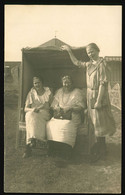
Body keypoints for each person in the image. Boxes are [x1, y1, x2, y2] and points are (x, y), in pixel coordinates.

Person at [61, 43, 116, 162]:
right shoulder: (89, 64)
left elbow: (103, 84)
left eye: (92, 51)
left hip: (99, 95)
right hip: (90, 94)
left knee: (99, 123)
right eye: (88, 52)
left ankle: (101, 150)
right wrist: (69, 50)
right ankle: (102, 147)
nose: (90, 54)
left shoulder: (102, 64)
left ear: (97, 50)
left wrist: (98, 101)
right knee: (94, 122)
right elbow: (76, 63)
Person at [46, 75, 85, 161]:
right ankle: (54, 148)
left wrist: (71, 108)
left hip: (73, 116)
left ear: (72, 83)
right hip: (60, 115)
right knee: (50, 124)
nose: (66, 85)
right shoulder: (59, 92)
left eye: (68, 82)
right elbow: (53, 105)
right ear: (62, 83)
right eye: (65, 83)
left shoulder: (77, 92)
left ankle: (67, 150)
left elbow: (81, 107)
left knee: (66, 125)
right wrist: (57, 108)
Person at [23, 76, 53, 158]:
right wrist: (32, 109)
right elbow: (26, 108)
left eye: (38, 82)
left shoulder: (48, 92)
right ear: (33, 84)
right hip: (33, 113)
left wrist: (38, 108)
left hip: (45, 113)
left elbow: (48, 106)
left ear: (42, 83)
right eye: (35, 83)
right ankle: (32, 141)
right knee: (29, 115)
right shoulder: (31, 93)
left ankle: (29, 145)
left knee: (31, 116)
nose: (37, 84)